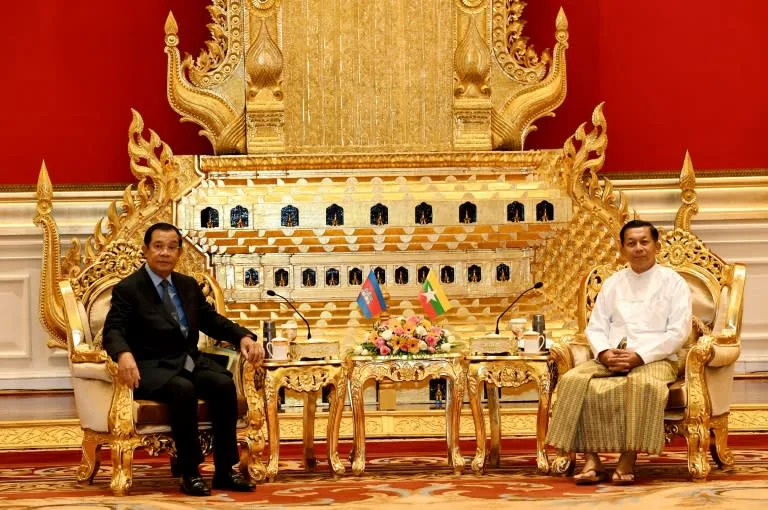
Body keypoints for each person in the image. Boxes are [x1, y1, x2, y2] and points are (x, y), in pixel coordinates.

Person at [103, 222, 264, 496]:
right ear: (146, 250)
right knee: (183, 389)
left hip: (187, 362)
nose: (165, 253)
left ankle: (225, 471)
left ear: (179, 253)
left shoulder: (187, 285)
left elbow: (211, 320)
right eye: (158, 246)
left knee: (223, 384)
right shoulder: (129, 289)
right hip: (150, 367)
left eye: (171, 247)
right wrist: (123, 354)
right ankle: (190, 472)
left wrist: (244, 338)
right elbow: (113, 329)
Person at [546, 219, 692, 485]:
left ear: (656, 245)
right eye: (631, 243)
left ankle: (628, 458)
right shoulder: (613, 283)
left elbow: (678, 333)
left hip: (655, 358)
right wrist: (603, 353)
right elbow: (596, 327)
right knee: (572, 382)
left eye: (644, 242)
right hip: (612, 356)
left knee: (643, 384)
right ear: (622, 249)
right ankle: (592, 460)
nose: (638, 248)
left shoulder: (674, 283)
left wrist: (640, 356)